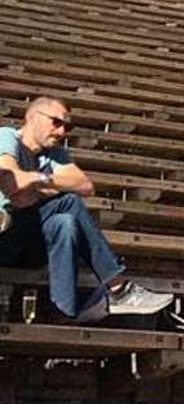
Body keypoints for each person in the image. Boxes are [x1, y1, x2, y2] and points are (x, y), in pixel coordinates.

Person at [0, 97, 175, 322]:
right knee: (68, 202)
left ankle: (64, 311)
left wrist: (37, 180)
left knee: (65, 223)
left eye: (67, 126)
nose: (61, 131)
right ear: (32, 117)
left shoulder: (56, 154)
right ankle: (119, 288)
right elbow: (11, 182)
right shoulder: (7, 136)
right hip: (5, 237)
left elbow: (84, 185)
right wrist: (49, 186)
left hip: (31, 244)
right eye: (56, 122)